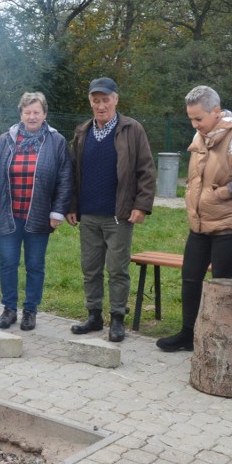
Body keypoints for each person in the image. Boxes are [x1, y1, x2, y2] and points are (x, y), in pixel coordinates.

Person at [156, 85, 232, 352]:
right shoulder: (202, 134)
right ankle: (188, 335)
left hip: (228, 224)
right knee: (191, 277)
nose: (195, 124)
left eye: (199, 119)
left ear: (216, 111)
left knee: (224, 283)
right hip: (200, 223)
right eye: (191, 118)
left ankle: (224, 340)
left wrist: (225, 192)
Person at [67, 77, 156, 342]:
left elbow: (147, 171)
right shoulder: (83, 132)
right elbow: (74, 172)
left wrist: (141, 205)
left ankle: (117, 318)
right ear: (90, 102)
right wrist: (72, 206)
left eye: (106, 100)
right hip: (89, 214)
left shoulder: (132, 129)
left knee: (117, 269)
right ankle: (94, 316)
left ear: (116, 99)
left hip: (119, 214)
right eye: (96, 101)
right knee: (90, 268)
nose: (101, 105)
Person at [0, 92, 74, 331]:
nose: (32, 116)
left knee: (35, 265)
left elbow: (65, 178)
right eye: (27, 112)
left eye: (36, 112)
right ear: (21, 114)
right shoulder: (6, 140)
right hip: (8, 215)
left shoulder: (57, 142)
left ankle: (30, 311)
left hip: (39, 215)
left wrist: (58, 212)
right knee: (7, 263)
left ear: (45, 114)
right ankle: (9, 309)